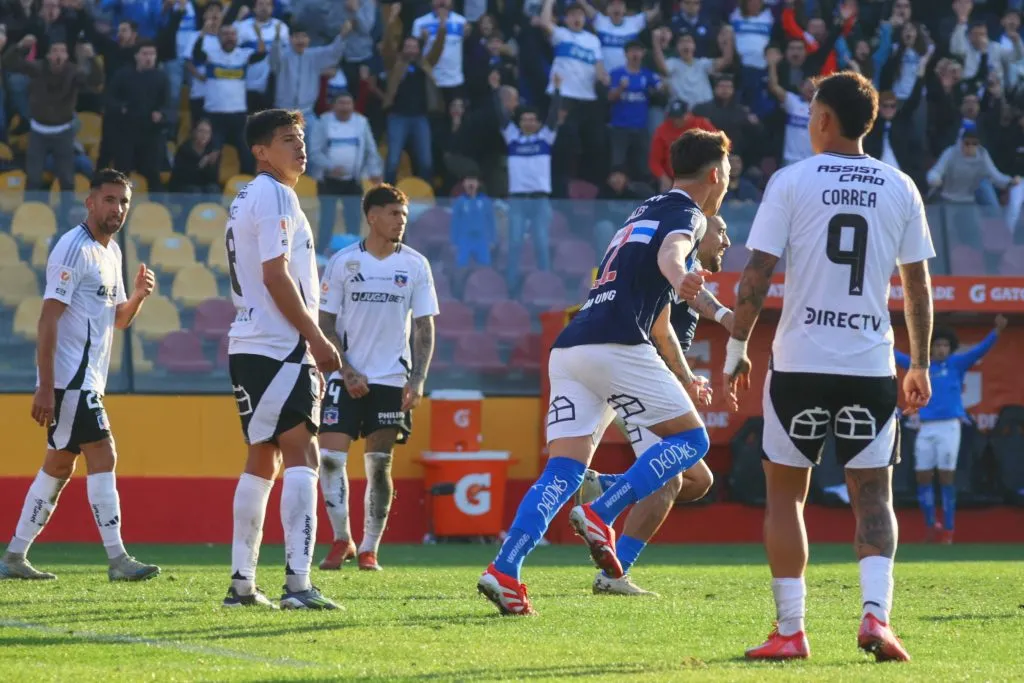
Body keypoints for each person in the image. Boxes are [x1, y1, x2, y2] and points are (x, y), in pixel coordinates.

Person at [719, 71, 935, 662]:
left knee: (786, 496)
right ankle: (877, 619)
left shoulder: (791, 181)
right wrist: (917, 362)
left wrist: (737, 346)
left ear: (822, 119)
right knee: (874, 496)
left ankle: (791, 630)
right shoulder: (901, 186)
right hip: (869, 365)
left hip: (799, 363)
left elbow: (757, 272)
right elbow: (917, 285)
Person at [477, 129, 730, 615]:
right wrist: (685, 279)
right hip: (618, 344)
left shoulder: (641, 211)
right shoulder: (689, 214)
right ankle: (603, 510)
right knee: (693, 444)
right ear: (716, 175)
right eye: (728, 175)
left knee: (563, 470)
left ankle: (505, 569)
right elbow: (671, 256)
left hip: (571, 347)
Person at [0, 169, 160, 583]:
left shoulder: (112, 252)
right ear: (90, 202)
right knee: (103, 453)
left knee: (57, 465)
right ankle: (118, 558)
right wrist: (45, 386)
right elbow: (47, 319)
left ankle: (14, 556)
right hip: (71, 380)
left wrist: (139, 295)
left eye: (123, 201)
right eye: (109, 200)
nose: (117, 209)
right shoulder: (74, 248)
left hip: (85, 379)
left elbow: (118, 319)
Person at [576, 215, 734, 596]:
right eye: (721, 231)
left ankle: (606, 487)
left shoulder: (677, 263)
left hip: (641, 375)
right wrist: (731, 317)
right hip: (640, 378)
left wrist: (686, 377)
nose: (727, 240)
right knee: (669, 480)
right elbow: (683, 311)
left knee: (699, 481)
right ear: (701, 232)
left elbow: (672, 320)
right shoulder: (678, 262)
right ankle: (614, 573)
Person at [223, 109, 341, 610]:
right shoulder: (275, 194)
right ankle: (298, 584)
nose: (300, 147)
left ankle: (243, 585)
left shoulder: (246, 196)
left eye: (301, 138)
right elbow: (275, 275)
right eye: (288, 139)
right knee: (303, 454)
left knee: (262, 458)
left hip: (253, 344)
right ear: (261, 151)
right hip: (280, 345)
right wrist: (315, 336)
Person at [316, 184, 439, 572]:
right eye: (393, 214)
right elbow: (325, 322)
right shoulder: (342, 262)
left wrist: (417, 379)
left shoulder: (416, 264)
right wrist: (345, 370)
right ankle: (341, 540)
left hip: (390, 379)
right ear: (372, 216)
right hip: (345, 377)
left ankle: (369, 548)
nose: (400, 221)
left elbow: (424, 327)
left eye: (404, 215)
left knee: (378, 465)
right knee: (331, 459)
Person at [895, 316, 1007, 544]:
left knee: (946, 478)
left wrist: (997, 331)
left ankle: (948, 531)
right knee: (922, 477)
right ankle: (929, 527)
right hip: (925, 429)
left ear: (951, 347)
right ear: (930, 348)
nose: (941, 349)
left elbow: (980, 351)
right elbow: (898, 357)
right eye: (937, 345)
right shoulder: (921, 367)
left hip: (949, 427)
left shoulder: (957, 364)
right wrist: (883, 339)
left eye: (945, 345)